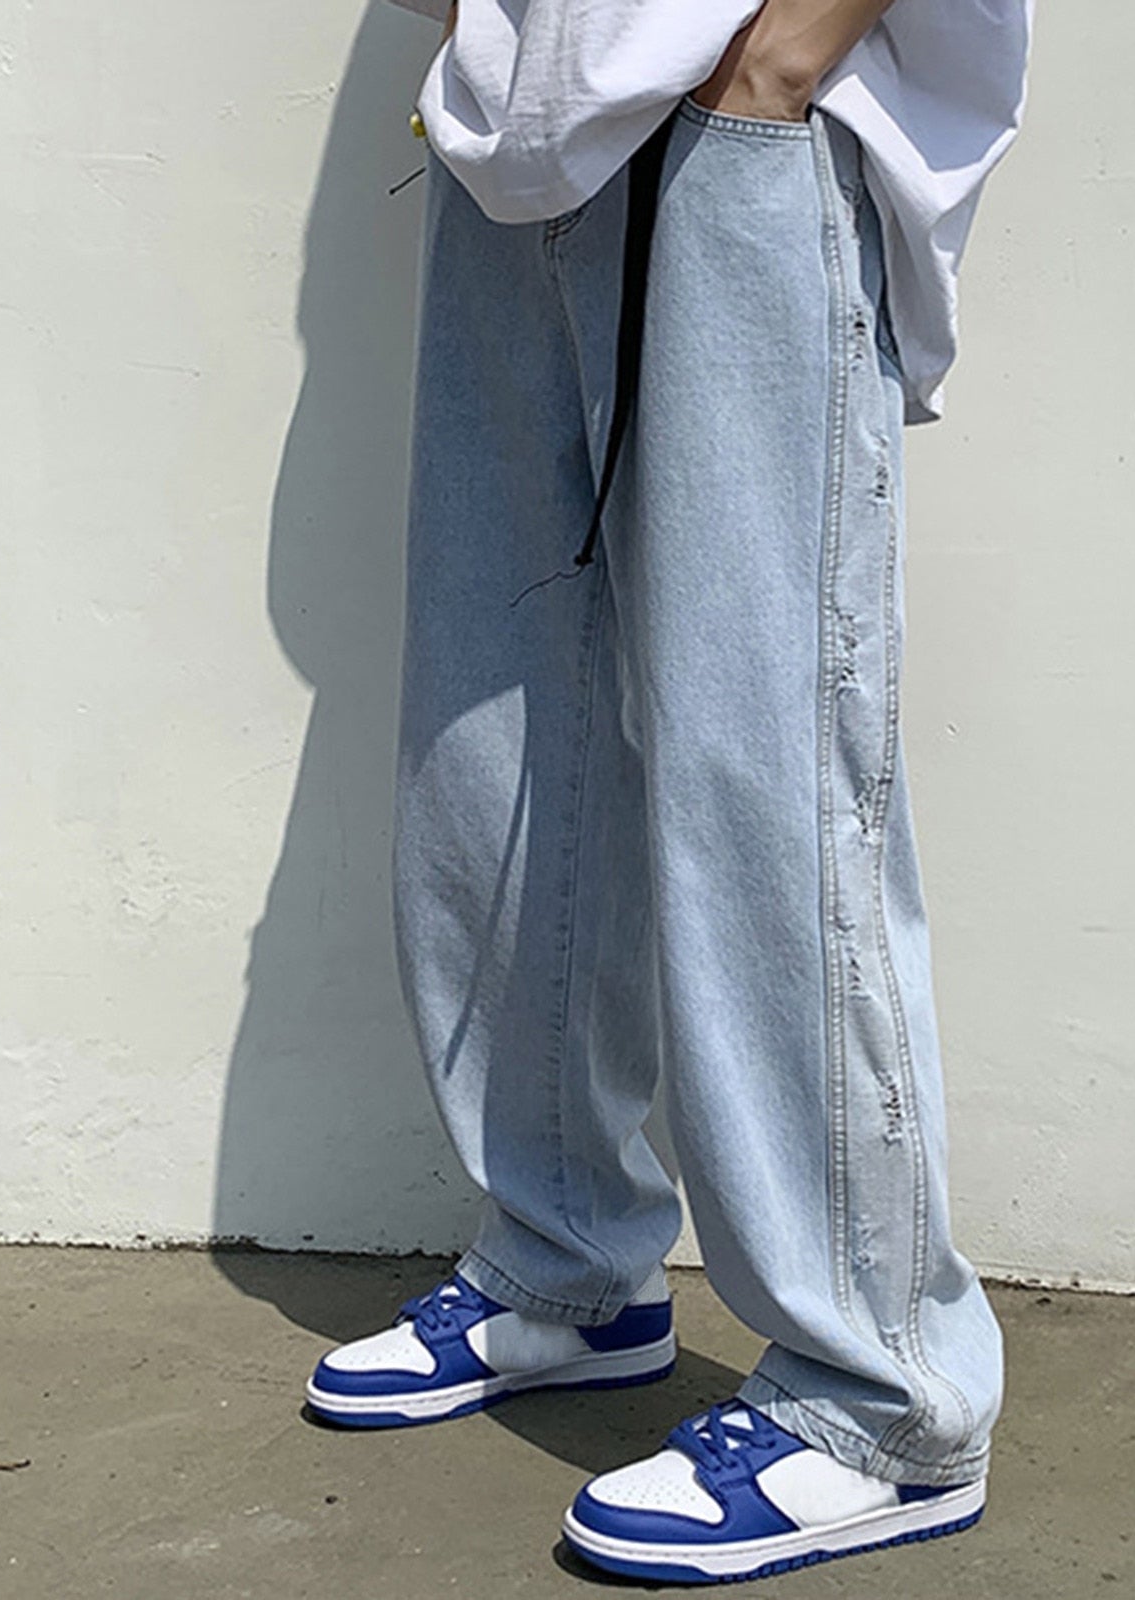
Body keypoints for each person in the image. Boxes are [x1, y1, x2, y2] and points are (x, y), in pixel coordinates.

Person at [304, 0, 1033, 1583]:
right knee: (496, 733)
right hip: (515, 146)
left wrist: (776, 67)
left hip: (745, 125)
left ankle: (886, 1396)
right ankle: (565, 1259)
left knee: (765, 764)